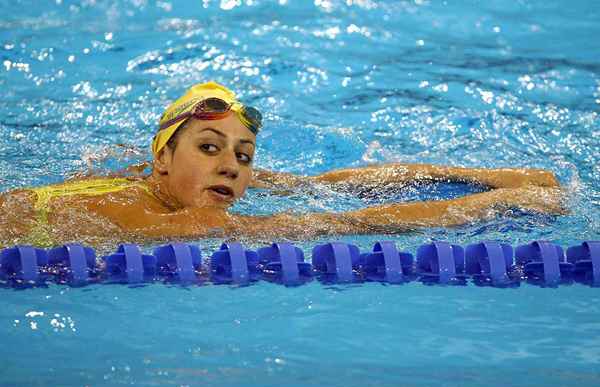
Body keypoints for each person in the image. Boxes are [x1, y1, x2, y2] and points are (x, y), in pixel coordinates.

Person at [0, 82, 564, 248]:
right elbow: (348, 224)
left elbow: (324, 187)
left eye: (244, 157)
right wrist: (495, 208)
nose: (232, 168)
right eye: (209, 147)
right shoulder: (186, 222)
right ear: (162, 159)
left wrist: (492, 176)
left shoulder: (145, 179)